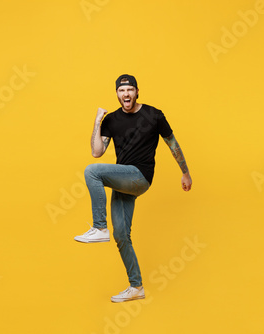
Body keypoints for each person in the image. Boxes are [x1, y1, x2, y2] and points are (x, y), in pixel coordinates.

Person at [74, 74, 192, 302]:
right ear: (117, 94)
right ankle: (136, 287)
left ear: (137, 92)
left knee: (92, 171)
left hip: (139, 176)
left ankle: (99, 227)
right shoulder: (112, 120)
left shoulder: (154, 115)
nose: (126, 94)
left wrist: (185, 172)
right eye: (121, 91)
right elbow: (97, 151)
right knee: (121, 235)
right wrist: (97, 122)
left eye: (130, 90)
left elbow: (173, 144)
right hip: (122, 179)